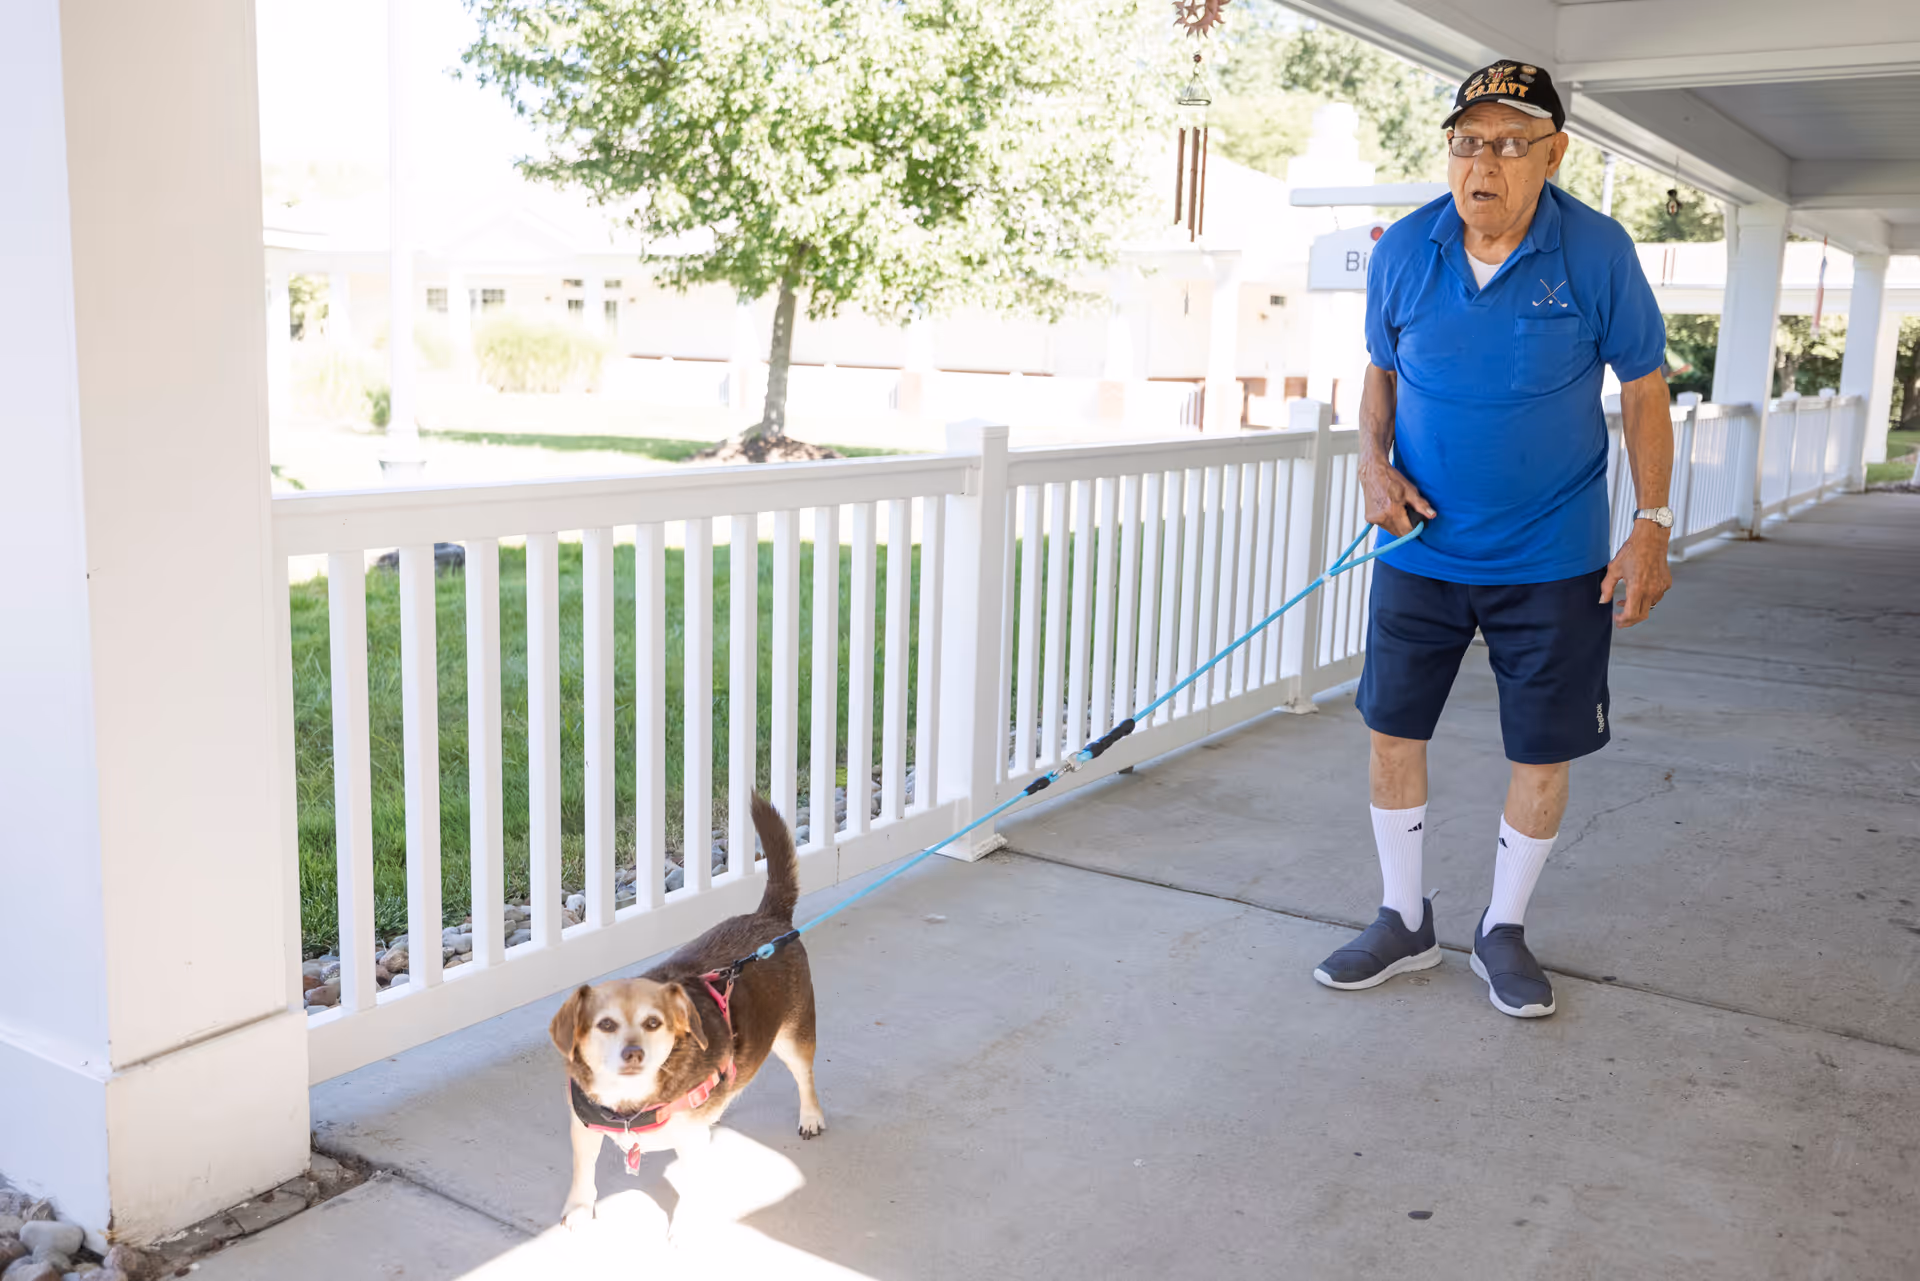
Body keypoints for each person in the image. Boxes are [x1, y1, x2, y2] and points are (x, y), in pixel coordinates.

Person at [1311, 60, 1674, 1018]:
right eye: (1467, 141)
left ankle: (1502, 927)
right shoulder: (1406, 250)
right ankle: (1402, 917)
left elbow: (1643, 389)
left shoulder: (1597, 252)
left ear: (1553, 154)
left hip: (1553, 562)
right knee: (1392, 733)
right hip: (1419, 552)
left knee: (1541, 751)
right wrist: (1369, 462)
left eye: (1511, 143)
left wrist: (1650, 525)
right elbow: (1380, 374)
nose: (1484, 163)